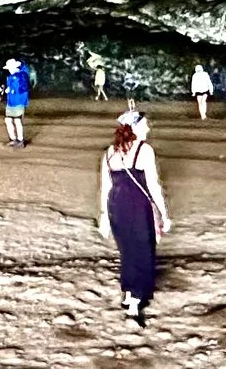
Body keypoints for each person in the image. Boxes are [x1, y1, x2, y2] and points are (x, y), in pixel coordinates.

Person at [97, 109, 171, 325]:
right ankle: (133, 307)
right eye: (145, 124)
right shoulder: (145, 150)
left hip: (116, 206)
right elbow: (154, 187)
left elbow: (106, 186)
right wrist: (164, 215)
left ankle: (129, 293)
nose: (148, 128)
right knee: (142, 252)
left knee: (127, 251)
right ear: (135, 128)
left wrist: (104, 217)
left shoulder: (110, 152)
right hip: (138, 207)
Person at [2, 58, 32, 148]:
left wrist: (11, 90)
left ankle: (20, 140)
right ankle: (13, 139)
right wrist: (8, 90)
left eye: (10, 68)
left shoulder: (22, 76)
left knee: (17, 120)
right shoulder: (11, 77)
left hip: (18, 101)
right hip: (11, 101)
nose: (9, 70)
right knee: (8, 120)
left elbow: (24, 89)